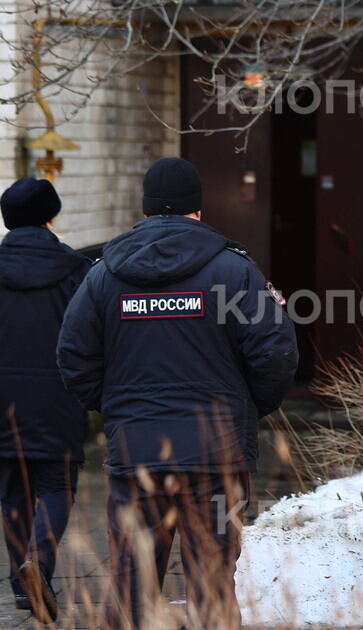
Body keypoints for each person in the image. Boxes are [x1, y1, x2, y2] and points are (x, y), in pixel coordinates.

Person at [57, 157, 298, 630]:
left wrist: (116, 410)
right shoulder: (234, 270)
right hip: (217, 457)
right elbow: (276, 353)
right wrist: (246, 410)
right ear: (198, 211)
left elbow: (73, 355)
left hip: (136, 455)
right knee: (212, 578)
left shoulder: (104, 274)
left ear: (144, 210)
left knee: (131, 580)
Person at [0, 178, 92, 623]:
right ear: (50, 217)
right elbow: (90, 335)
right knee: (56, 487)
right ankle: (36, 560)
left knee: (13, 492)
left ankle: (23, 587)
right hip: (59, 396)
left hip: (3, 401)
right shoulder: (76, 269)